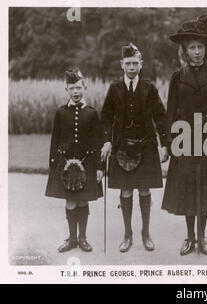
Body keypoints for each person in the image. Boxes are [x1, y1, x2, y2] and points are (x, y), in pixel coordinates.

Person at [162, 14, 207, 256]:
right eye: (192, 47)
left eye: (200, 47)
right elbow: (170, 113)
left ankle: (202, 237)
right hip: (183, 140)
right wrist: (168, 143)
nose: (197, 52)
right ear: (184, 50)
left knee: (205, 188)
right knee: (188, 189)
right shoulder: (178, 77)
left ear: (206, 49)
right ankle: (189, 237)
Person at [100, 43, 169, 253]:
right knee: (126, 189)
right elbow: (106, 118)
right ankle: (127, 234)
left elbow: (161, 116)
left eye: (135, 63)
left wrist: (165, 144)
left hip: (146, 146)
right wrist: (107, 140)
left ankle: (145, 234)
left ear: (141, 64)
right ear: (122, 65)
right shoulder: (115, 88)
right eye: (128, 63)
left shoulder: (149, 88)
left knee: (145, 189)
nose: (131, 67)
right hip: (121, 148)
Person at [45, 67, 103, 253]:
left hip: (87, 164)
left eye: (78, 88)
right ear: (67, 90)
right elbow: (55, 140)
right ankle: (71, 239)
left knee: (83, 201)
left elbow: (98, 141)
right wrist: (53, 164)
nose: (76, 92)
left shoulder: (92, 113)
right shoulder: (60, 113)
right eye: (72, 88)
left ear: (84, 88)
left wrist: (100, 167)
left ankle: (83, 238)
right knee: (70, 201)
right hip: (65, 165)